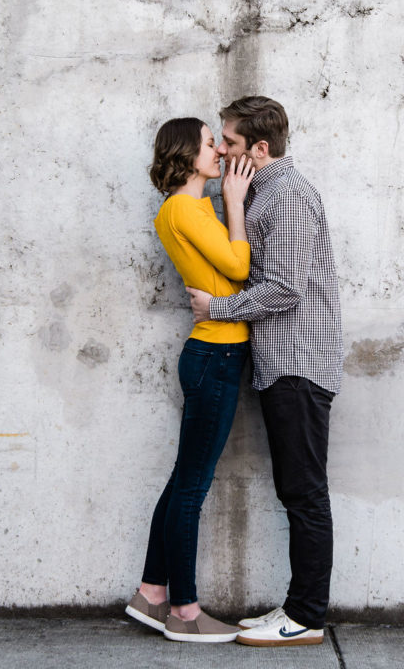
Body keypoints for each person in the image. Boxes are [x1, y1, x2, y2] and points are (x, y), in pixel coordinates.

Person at [187, 96, 344, 647]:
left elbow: (285, 288)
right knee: (295, 489)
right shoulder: (264, 192)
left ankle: (305, 616)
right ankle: (297, 607)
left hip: (299, 362)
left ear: (259, 147)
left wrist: (218, 309)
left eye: (228, 142)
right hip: (281, 363)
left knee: (304, 492)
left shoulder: (291, 195)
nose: (223, 150)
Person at [125, 117, 255, 644]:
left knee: (183, 480)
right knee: (193, 487)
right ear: (187, 154)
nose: (220, 152)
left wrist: (221, 202)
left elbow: (223, 275)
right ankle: (184, 611)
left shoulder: (193, 207)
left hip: (215, 354)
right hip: (214, 356)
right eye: (210, 144)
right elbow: (239, 266)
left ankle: (151, 593)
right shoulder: (183, 207)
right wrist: (237, 203)